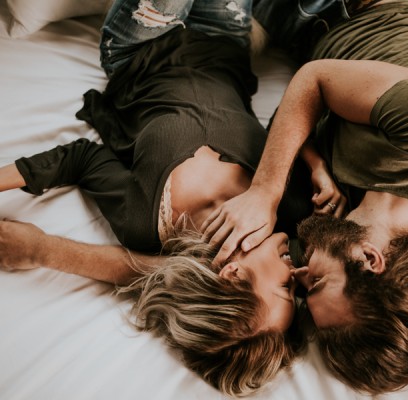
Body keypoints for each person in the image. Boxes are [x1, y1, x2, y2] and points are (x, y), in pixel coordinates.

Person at [0, 0, 346, 395]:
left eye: (285, 289)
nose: (297, 275)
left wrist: (39, 245)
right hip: (225, 44)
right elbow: (290, 112)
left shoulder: (146, 223)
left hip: (138, 51)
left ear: (231, 274)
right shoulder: (292, 210)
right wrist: (317, 165)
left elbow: (78, 159)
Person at [199, 0, 408, 394]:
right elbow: (312, 82)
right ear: (370, 259)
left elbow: (287, 120)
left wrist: (316, 162)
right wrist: (264, 191)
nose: (298, 275)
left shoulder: (352, 229)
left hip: (301, 33)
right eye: (315, 283)